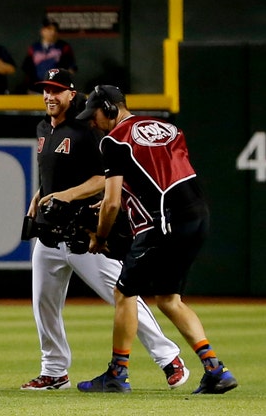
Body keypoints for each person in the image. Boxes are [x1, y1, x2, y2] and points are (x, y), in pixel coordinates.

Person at [22, 69, 185, 391]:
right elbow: (53, 173)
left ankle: (169, 358)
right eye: (45, 90)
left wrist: (67, 195)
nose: (49, 96)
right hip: (50, 231)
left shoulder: (88, 126)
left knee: (124, 294)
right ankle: (54, 371)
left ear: (71, 94)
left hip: (84, 230)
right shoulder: (44, 126)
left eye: (56, 90)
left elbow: (104, 178)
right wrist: (40, 194)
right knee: (44, 304)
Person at [77, 85, 238, 395]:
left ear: (110, 108)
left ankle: (117, 373)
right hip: (198, 214)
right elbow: (158, 174)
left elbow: (110, 203)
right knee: (168, 298)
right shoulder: (167, 127)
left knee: (124, 292)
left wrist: (100, 236)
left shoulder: (113, 141)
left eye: (94, 115)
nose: (92, 122)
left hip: (165, 222)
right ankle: (215, 370)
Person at [21, 19, 77, 93]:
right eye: (49, 29)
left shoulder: (64, 47)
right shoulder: (34, 48)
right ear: (42, 31)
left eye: (55, 30)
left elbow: (71, 68)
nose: (53, 32)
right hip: (35, 89)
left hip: (56, 89)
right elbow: (27, 68)